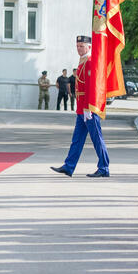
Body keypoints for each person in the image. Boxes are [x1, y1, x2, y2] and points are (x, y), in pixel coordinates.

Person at [50, 35, 111, 178]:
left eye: (82, 46)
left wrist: (88, 107)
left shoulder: (90, 62)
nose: (79, 48)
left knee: (97, 138)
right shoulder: (83, 61)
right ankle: (69, 166)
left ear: (89, 47)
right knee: (77, 139)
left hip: (89, 108)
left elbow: (91, 86)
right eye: (77, 46)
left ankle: (104, 167)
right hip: (82, 108)